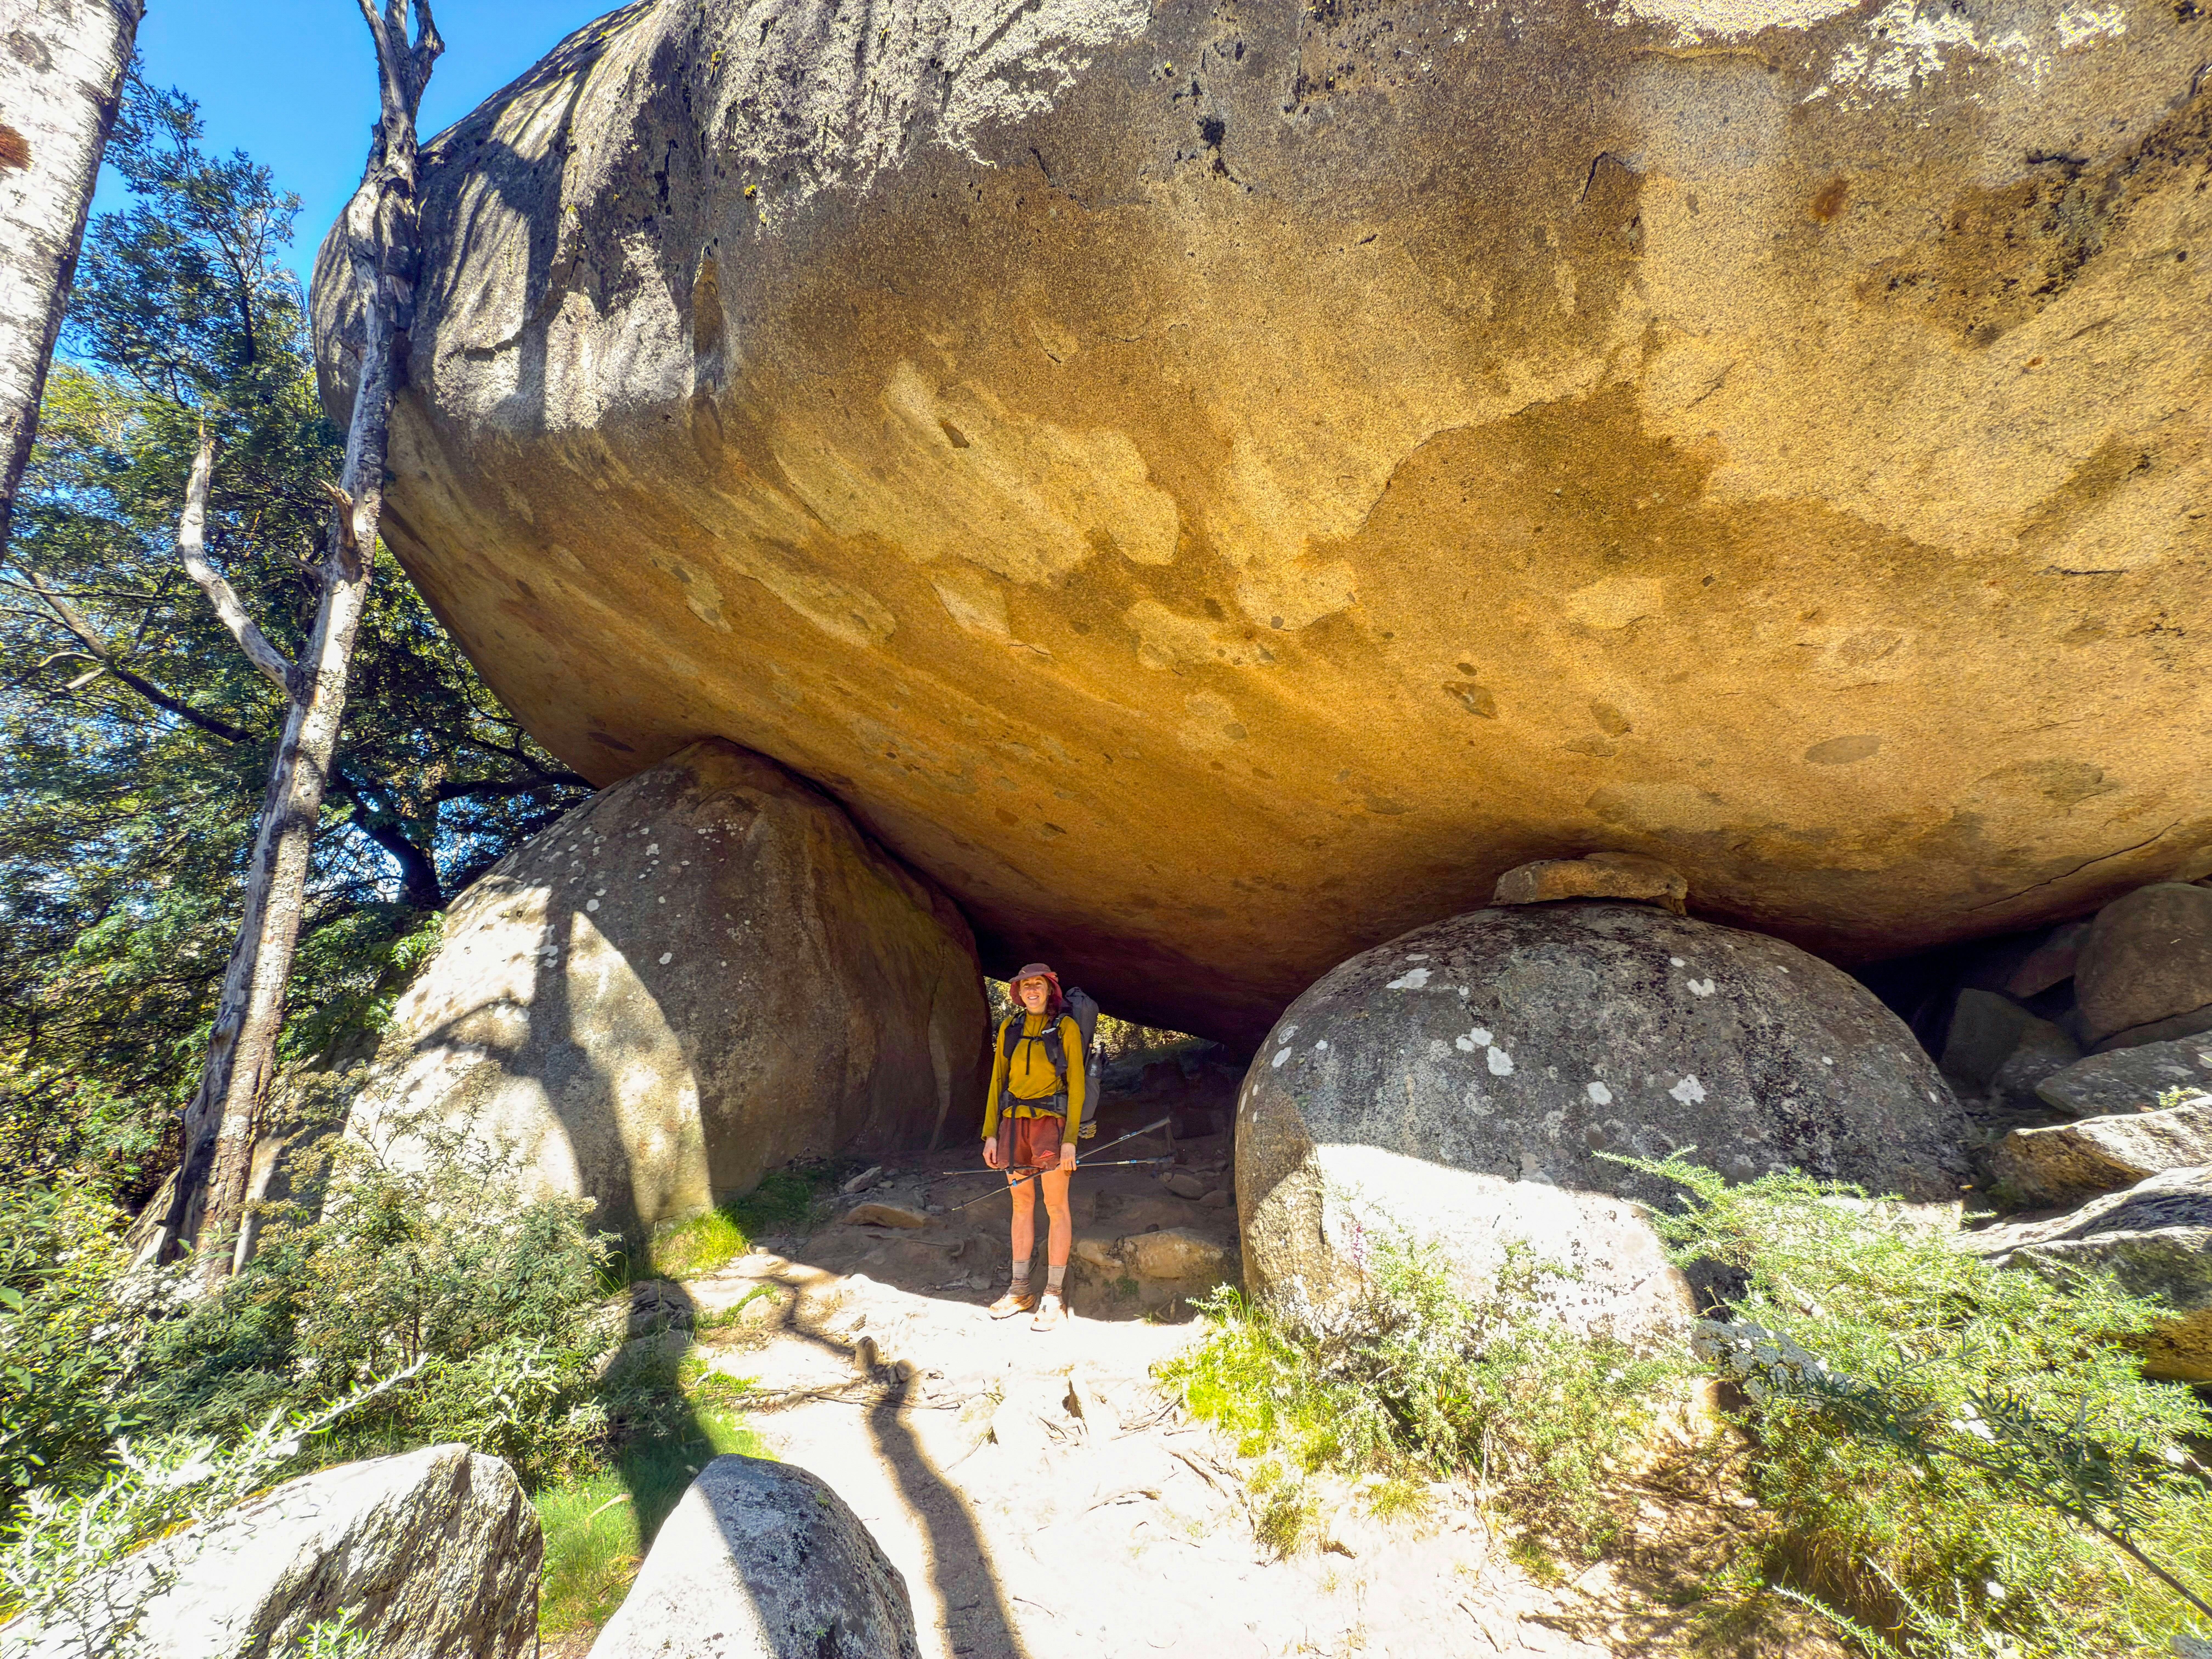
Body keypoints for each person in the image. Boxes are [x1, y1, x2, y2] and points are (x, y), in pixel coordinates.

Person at [981, 963, 1087, 1331]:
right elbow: (998, 1080)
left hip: (1051, 1126)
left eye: (1038, 985)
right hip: (1013, 1126)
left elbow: (1077, 1085)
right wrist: (990, 1133)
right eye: (1025, 985)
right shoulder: (1010, 1028)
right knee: (1021, 1203)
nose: (1031, 990)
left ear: (1049, 991)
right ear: (1018, 992)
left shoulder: (1067, 1028)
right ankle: (1020, 1289)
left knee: (1056, 1206)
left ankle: (1054, 1295)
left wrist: (1071, 1139)